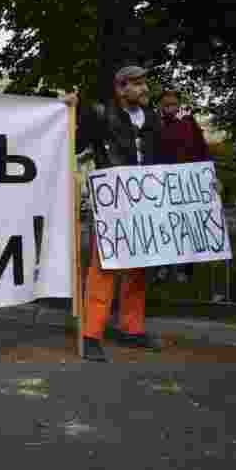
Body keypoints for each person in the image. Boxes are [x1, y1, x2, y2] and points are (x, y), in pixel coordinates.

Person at [70, 65, 164, 362]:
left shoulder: (152, 118)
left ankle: (132, 328)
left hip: (145, 201)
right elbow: (75, 144)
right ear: (121, 88)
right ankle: (91, 334)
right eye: (137, 84)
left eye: (144, 83)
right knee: (105, 267)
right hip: (112, 201)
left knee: (138, 266)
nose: (144, 88)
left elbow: (162, 156)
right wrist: (67, 112)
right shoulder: (100, 114)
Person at [155, 89, 214, 285]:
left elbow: (202, 147)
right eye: (166, 104)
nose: (170, 107)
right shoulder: (155, 124)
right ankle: (163, 266)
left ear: (178, 105)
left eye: (173, 103)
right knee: (164, 226)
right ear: (161, 106)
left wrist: (210, 174)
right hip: (164, 184)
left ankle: (185, 269)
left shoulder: (189, 122)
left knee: (188, 226)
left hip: (189, 184)